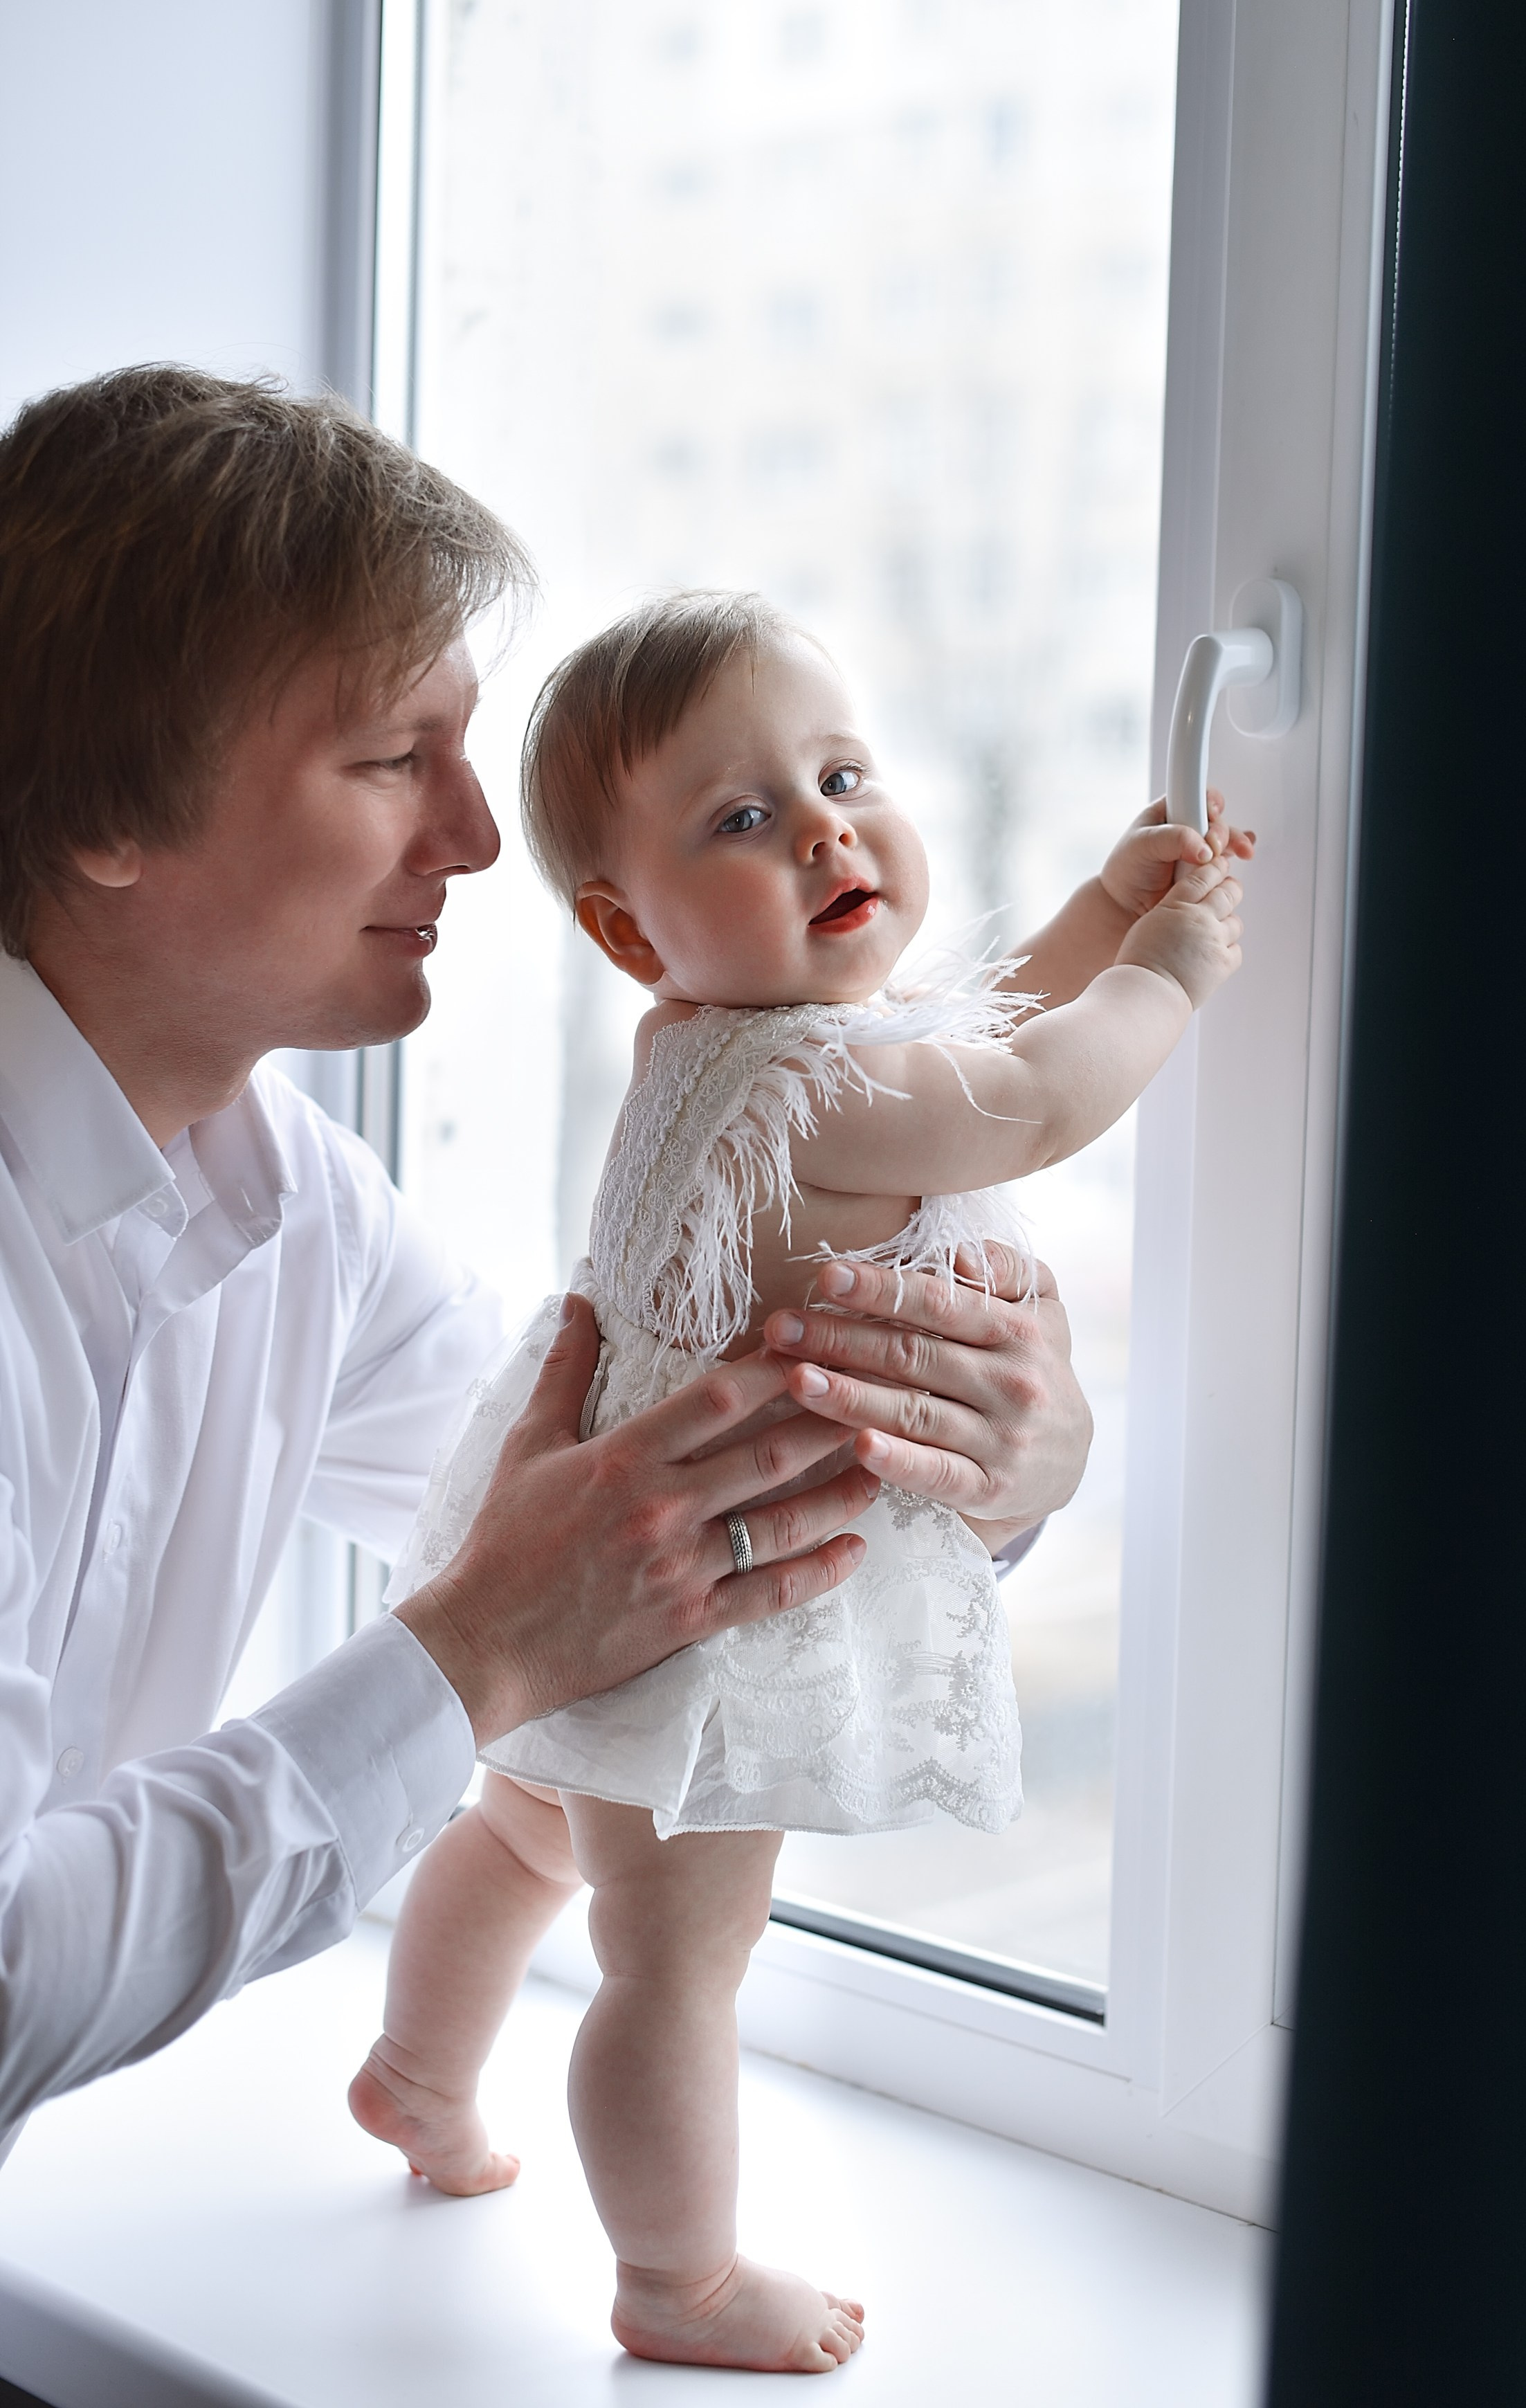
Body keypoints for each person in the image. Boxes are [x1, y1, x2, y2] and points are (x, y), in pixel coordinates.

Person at [0, 373, 1093, 2161]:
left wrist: (995, 1477)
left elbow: (645, 1514)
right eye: (387, 762)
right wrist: (477, 1652)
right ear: (102, 820)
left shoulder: (296, 1211)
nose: (478, 838)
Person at [351, 592, 1252, 2374]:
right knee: (679, 1947)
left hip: (592, 1521)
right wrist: (1165, 975)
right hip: (696, 1577)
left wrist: (1100, 911)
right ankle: (672, 2275)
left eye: (842, 773)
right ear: (627, 928)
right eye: (744, 818)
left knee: (532, 1820)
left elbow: (960, 1019)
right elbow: (1028, 1099)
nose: (827, 826)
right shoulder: (825, 1096)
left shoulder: (704, 1034)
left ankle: (418, 2072)